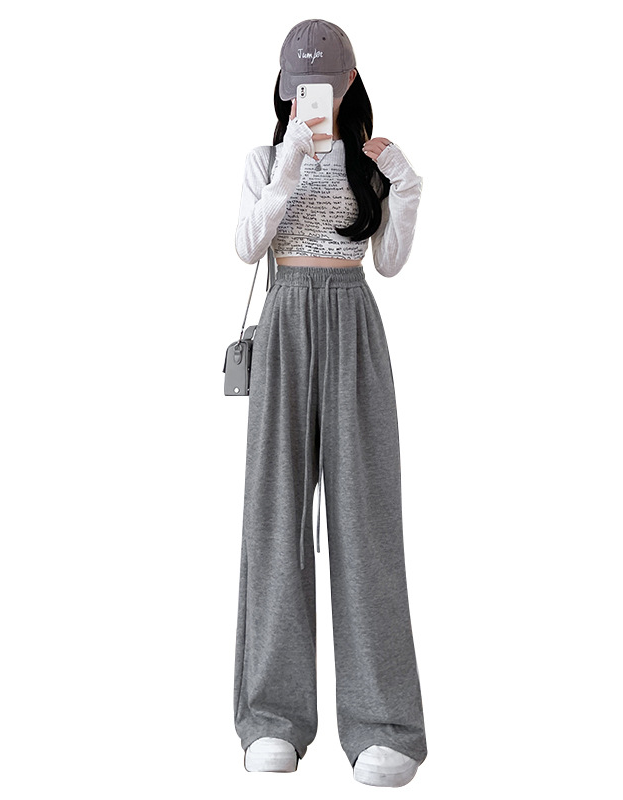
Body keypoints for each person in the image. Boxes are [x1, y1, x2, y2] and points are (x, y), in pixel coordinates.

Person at [232, 19, 427, 788]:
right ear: (286, 88)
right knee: (274, 518)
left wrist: (405, 186)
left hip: (352, 323)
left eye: (325, 84)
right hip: (285, 326)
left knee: (366, 520)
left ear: (348, 84)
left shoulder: (371, 161)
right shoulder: (263, 159)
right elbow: (247, 245)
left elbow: (391, 262)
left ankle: (382, 724)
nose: (312, 97)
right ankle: (272, 719)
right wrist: (287, 167)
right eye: (300, 85)